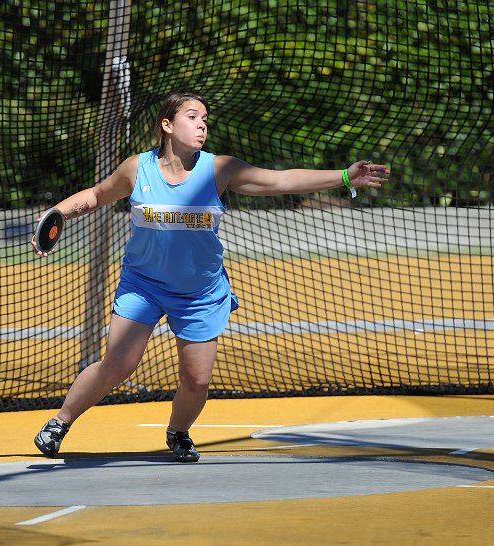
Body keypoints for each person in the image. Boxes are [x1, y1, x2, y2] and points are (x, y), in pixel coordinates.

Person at [32, 91, 389, 462]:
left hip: (200, 291)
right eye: (192, 116)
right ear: (167, 126)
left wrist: (345, 175)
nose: (202, 124)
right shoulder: (138, 169)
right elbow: (96, 195)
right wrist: (55, 215)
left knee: (197, 380)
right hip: (144, 285)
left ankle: (178, 432)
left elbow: (280, 181)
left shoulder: (219, 169)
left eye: (205, 118)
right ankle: (61, 421)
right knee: (118, 365)